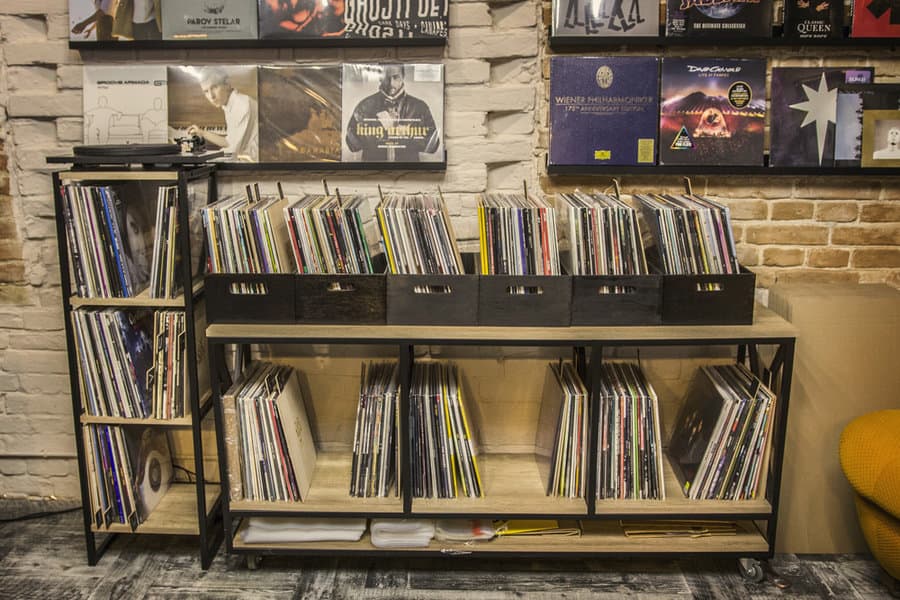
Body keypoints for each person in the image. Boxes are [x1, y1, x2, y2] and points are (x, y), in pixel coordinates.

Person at [344, 65, 440, 162]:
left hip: (409, 174)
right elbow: (353, 146)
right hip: (374, 174)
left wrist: (403, 132)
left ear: (403, 77)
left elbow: (433, 147)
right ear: (380, 78)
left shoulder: (419, 107)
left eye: (396, 77)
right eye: (387, 78)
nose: (391, 83)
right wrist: (378, 126)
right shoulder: (364, 106)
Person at [187, 67, 259, 162]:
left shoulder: (241, 105)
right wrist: (202, 132)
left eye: (214, 87)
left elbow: (233, 152)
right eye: (206, 91)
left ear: (227, 85)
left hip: (254, 163)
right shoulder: (229, 104)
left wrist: (203, 159)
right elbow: (229, 142)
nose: (211, 96)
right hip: (244, 158)